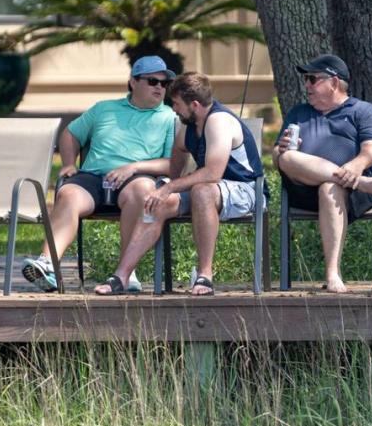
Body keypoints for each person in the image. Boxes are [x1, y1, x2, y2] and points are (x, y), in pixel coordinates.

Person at [93, 72, 266, 296]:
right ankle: (122, 276)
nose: (173, 108)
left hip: (245, 189)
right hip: (207, 188)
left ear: (194, 104)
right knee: (157, 203)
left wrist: (170, 187)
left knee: (202, 191)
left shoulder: (218, 121)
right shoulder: (190, 122)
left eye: (175, 103)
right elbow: (179, 149)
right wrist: (168, 182)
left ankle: (205, 275)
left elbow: (213, 172)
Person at [21, 55, 178, 292]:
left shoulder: (169, 117)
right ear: (133, 82)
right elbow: (70, 134)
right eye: (153, 81)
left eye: (165, 84)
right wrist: (67, 163)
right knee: (68, 193)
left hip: (137, 178)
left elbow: (172, 164)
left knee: (143, 190)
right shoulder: (104, 109)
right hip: (94, 177)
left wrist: (133, 167)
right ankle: (48, 265)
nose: (160, 87)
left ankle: (126, 272)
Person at [274, 54, 372, 293]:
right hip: (304, 188)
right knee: (286, 157)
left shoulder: (362, 110)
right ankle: (364, 183)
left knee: (328, 187)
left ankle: (332, 273)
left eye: (312, 79)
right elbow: (277, 158)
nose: (307, 85)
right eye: (306, 80)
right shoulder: (298, 112)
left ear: (333, 83)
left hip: (351, 194)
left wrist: (356, 166)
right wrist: (278, 149)